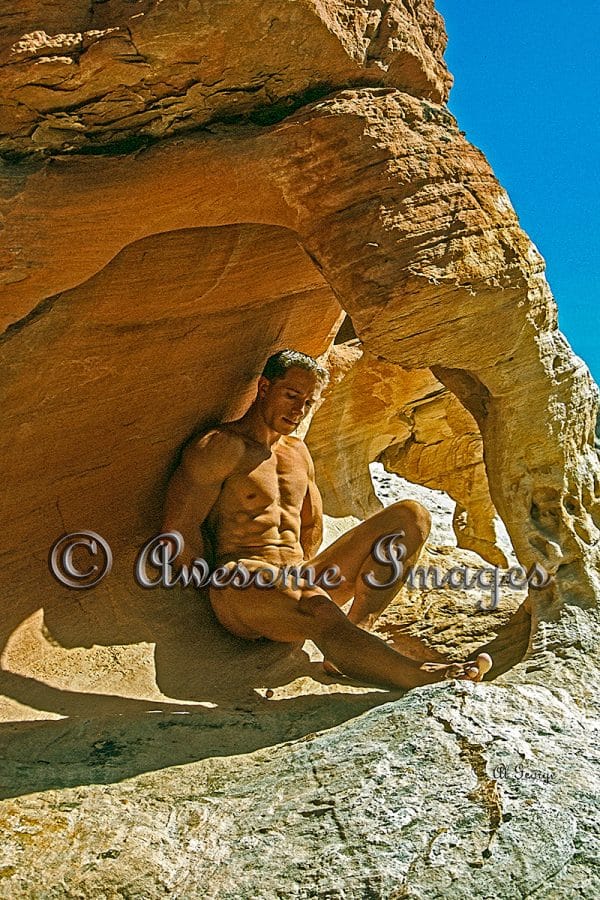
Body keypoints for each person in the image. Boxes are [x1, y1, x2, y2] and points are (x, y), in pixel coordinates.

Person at [162, 349, 492, 689]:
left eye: (308, 403)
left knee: (411, 516)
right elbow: (179, 529)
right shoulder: (220, 446)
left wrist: (299, 579)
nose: (298, 410)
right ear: (264, 388)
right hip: (241, 583)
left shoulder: (297, 453)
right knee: (315, 605)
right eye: (291, 396)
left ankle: (352, 639)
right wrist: (209, 593)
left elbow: (311, 527)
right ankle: (422, 676)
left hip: (296, 578)